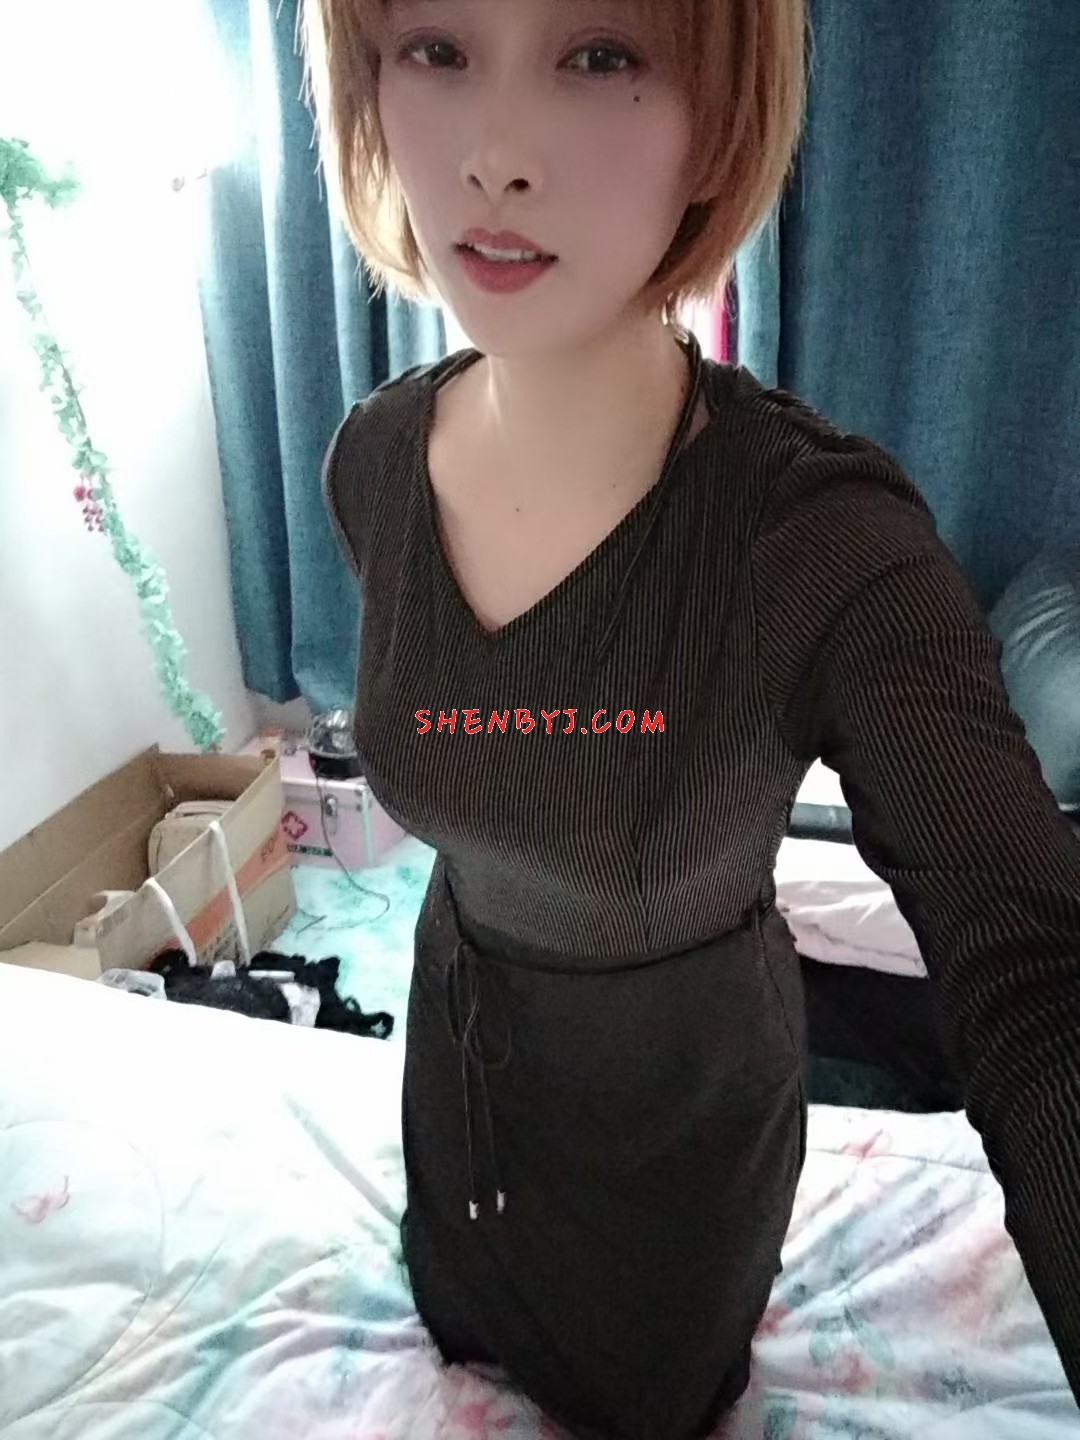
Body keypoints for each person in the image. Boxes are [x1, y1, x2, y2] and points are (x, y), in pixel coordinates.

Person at [305, 2, 1080, 1435]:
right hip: (460, 1072)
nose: (495, 154)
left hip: (674, 1139)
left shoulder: (819, 537)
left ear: (719, 121)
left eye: (600, 55)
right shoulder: (376, 462)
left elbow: (1038, 973)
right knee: (458, 1324)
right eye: (435, 50)